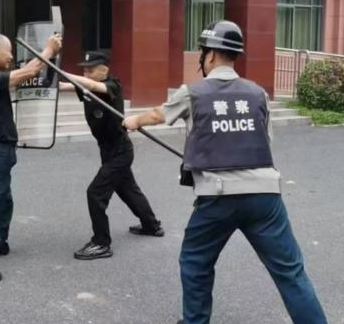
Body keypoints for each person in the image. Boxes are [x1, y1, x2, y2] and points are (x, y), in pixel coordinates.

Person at [123, 21, 327, 324]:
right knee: (290, 272)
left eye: (202, 53)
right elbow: (265, 139)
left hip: (218, 198)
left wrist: (133, 121)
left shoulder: (193, 92)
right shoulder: (258, 94)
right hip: (265, 197)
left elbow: (158, 114)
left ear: (210, 55)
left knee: (195, 261)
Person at [0, 33, 62, 283]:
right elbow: (30, 71)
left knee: (4, 201)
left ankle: (0, 238)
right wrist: (49, 50)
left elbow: (21, 76)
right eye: (9, 52)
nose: (11, 57)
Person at [59, 51, 163, 261]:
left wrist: (65, 73)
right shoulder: (87, 85)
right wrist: (53, 82)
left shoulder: (112, 85)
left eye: (90, 69)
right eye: (84, 70)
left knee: (95, 193)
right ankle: (151, 225)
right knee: (128, 190)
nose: (86, 73)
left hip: (120, 150)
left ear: (104, 70)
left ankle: (101, 243)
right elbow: (69, 86)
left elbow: (94, 85)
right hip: (107, 150)